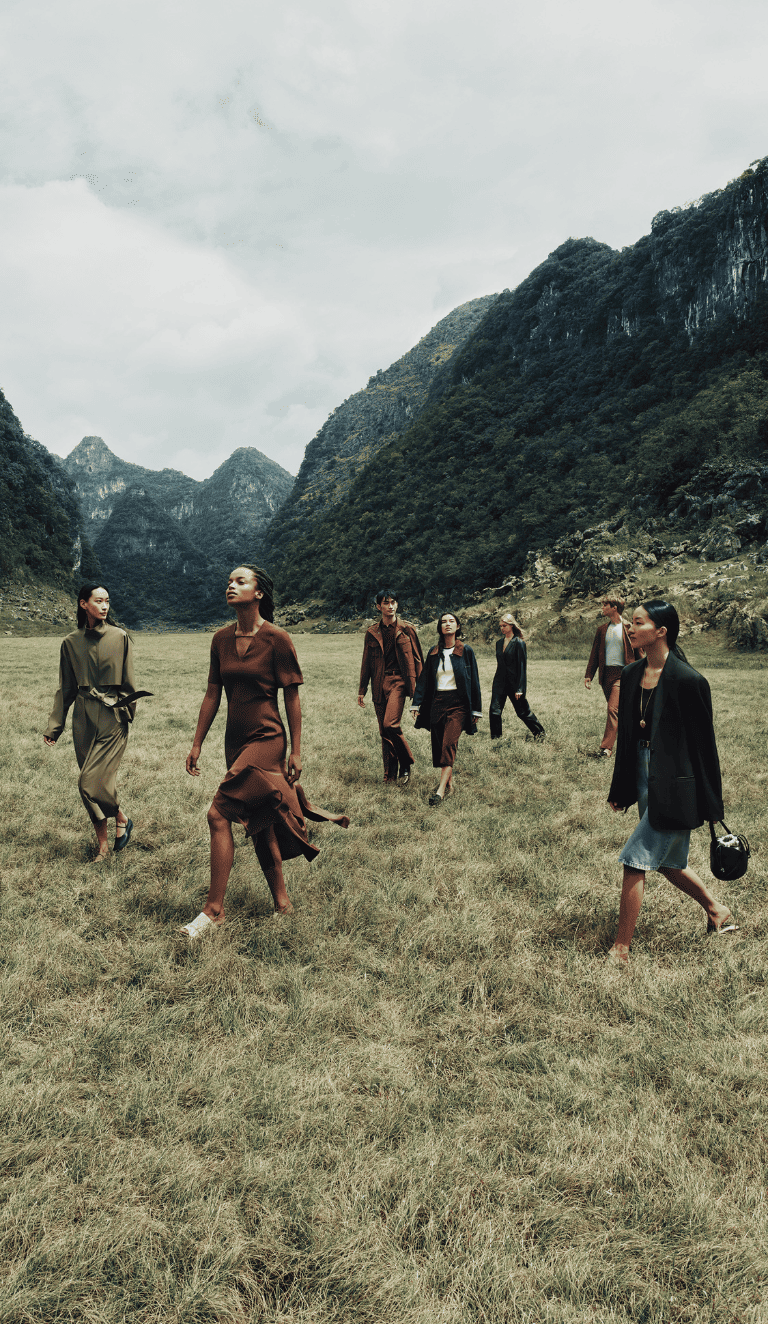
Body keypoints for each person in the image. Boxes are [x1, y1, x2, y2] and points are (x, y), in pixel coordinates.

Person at [181, 565, 349, 939]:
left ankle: (214, 910)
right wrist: (196, 743)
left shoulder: (278, 639)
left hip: (267, 738)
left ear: (259, 593)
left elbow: (292, 698)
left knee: (217, 813)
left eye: (240, 581)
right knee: (260, 823)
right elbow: (213, 694)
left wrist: (297, 750)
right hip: (234, 741)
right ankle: (282, 903)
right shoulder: (220, 639)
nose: (231, 585)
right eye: (229, 580)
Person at [607, 599, 738, 964]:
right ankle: (717, 911)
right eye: (630, 624)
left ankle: (621, 948)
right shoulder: (632, 675)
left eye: (638, 623)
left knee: (636, 859)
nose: (630, 629)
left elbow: (704, 749)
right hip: (642, 771)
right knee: (665, 862)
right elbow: (629, 739)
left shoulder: (688, 680)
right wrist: (622, 790)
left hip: (677, 783)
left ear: (660, 631)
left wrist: (711, 805)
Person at [43, 583, 140, 862]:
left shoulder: (120, 636)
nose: (105, 606)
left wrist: (126, 713)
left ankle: (121, 816)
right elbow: (66, 688)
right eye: (99, 601)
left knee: (89, 782)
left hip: (113, 716)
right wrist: (55, 726)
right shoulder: (70, 643)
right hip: (83, 718)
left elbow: (129, 682)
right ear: (83, 604)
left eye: (107, 601)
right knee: (93, 787)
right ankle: (103, 847)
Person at [411, 611, 481, 806]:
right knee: (440, 746)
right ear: (440, 627)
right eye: (444, 622)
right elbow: (424, 680)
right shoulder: (433, 652)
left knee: (449, 743)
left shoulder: (466, 651)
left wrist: (476, 709)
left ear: (457, 626)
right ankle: (449, 782)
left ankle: (440, 791)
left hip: (458, 704)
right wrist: (416, 702)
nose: (447, 624)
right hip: (437, 703)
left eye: (452, 621)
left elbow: (474, 680)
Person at [357, 589, 424, 785]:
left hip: (399, 682)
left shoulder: (407, 629)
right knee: (383, 731)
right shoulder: (372, 632)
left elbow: (418, 660)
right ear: (379, 607)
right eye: (386, 603)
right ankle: (389, 775)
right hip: (379, 683)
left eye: (393, 602)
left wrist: (420, 692)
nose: (391, 606)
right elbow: (366, 662)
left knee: (390, 724)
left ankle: (406, 761)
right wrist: (362, 690)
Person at [584, 596, 639, 758]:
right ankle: (631, 742)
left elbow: (639, 652)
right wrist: (589, 675)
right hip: (606, 674)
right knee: (621, 711)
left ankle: (606, 748)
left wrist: (645, 672)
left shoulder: (629, 627)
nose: (602, 608)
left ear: (614, 607)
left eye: (605, 605)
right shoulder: (601, 629)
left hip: (624, 674)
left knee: (612, 709)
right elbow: (594, 653)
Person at [489, 612, 545, 742]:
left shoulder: (519, 643)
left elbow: (522, 667)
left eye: (504, 625)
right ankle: (496, 739)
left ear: (511, 625)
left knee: (523, 712)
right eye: (500, 626)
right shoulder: (498, 643)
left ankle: (540, 733)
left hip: (514, 684)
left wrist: (520, 688)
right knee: (494, 711)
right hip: (499, 683)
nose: (502, 628)